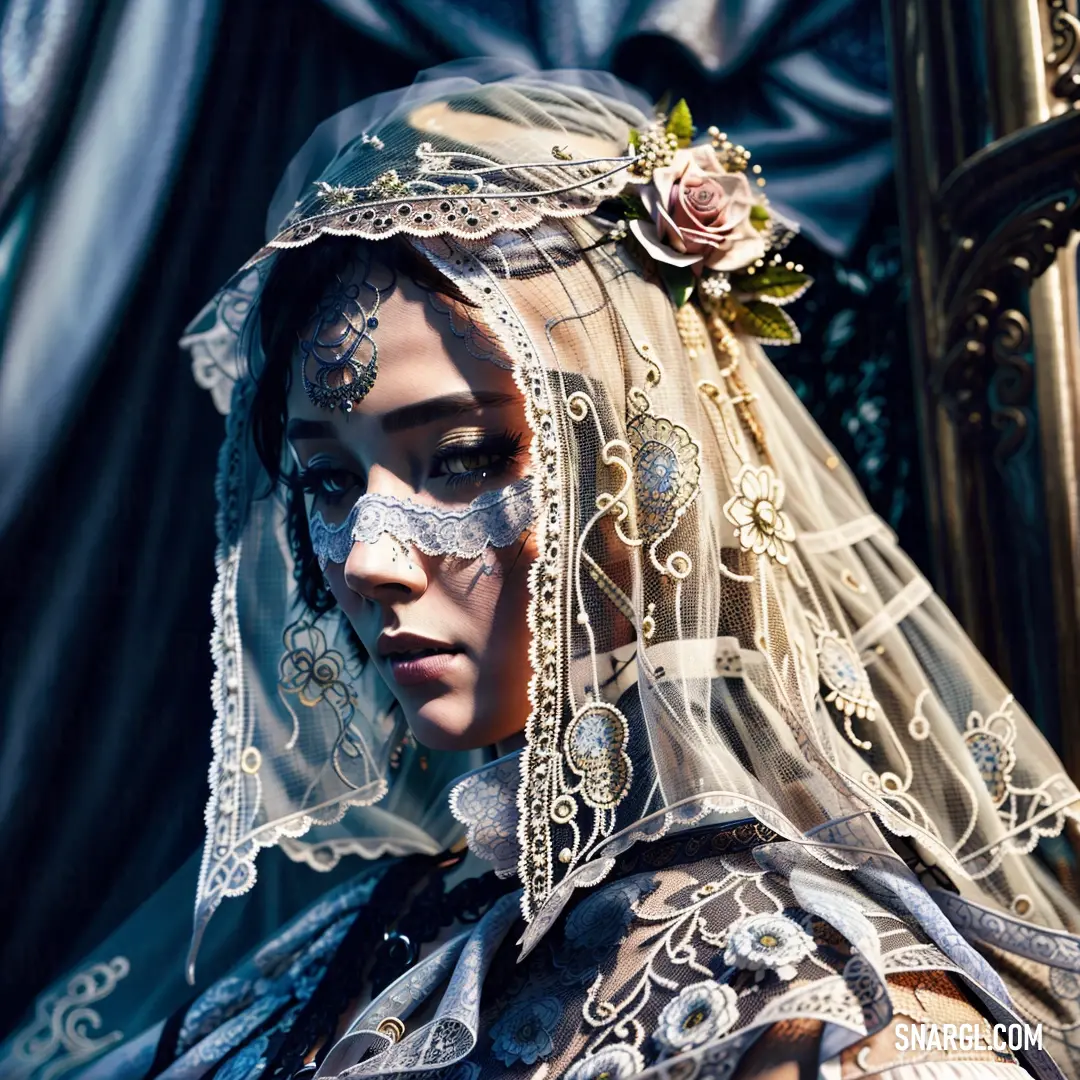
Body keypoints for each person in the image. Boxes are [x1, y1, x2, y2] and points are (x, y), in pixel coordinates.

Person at [6, 63, 1080, 1080]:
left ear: (649, 469)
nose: (371, 559)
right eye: (329, 484)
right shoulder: (369, 938)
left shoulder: (824, 1005)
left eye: (467, 459)